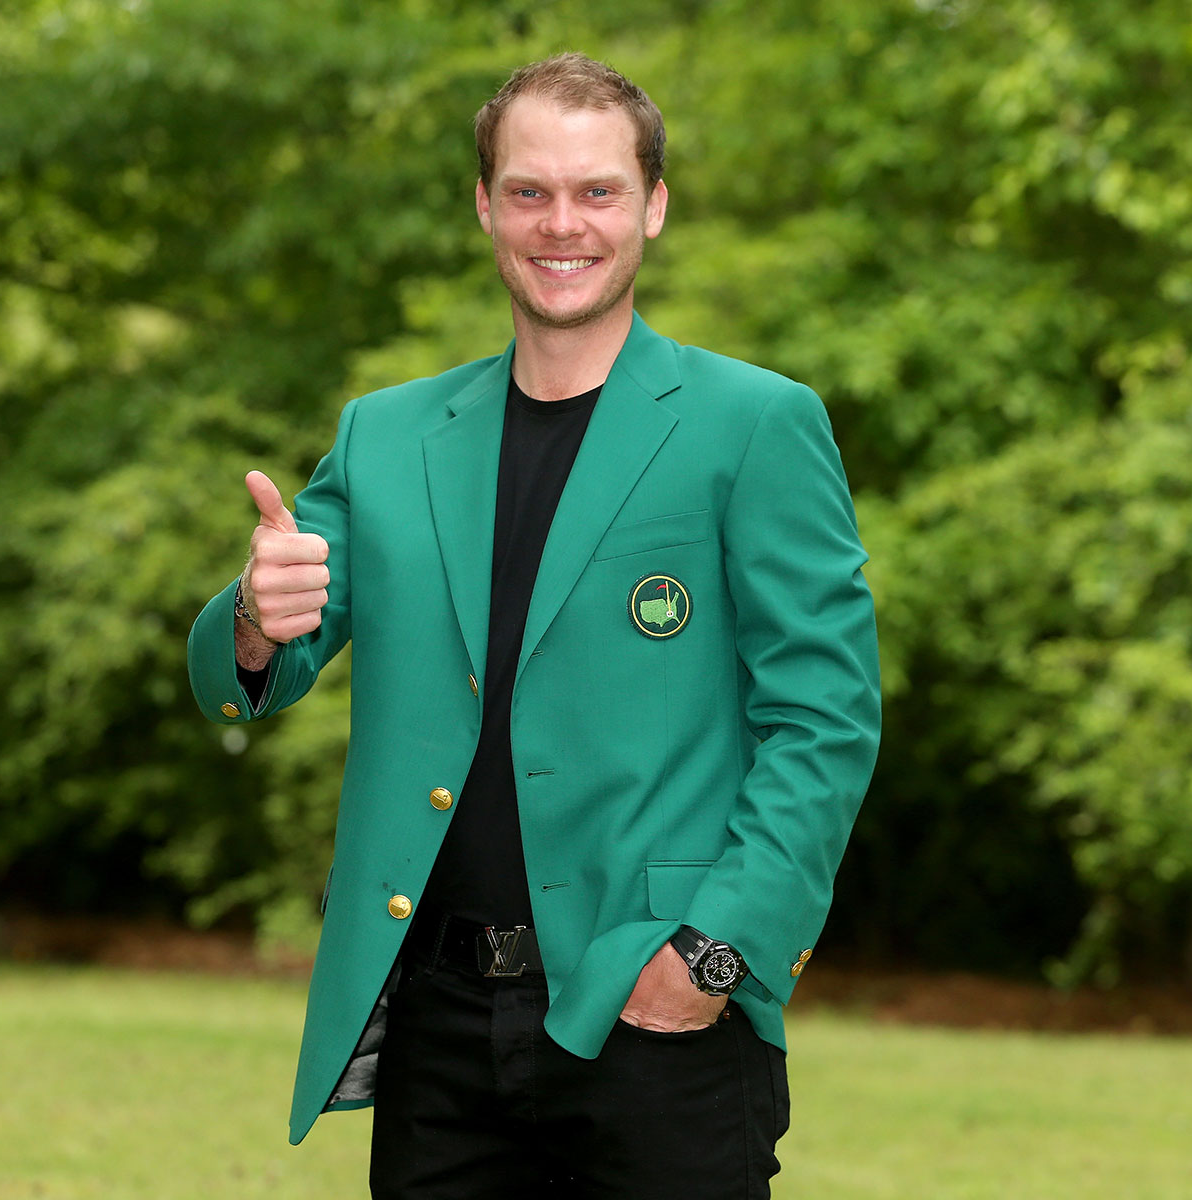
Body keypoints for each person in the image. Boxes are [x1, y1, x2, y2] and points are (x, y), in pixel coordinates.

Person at [188, 52, 880, 1199]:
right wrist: (258, 620)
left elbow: (825, 720)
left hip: (658, 1017)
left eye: (597, 190)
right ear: (484, 206)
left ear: (652, 206)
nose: (563, 223)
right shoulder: (387, 436)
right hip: (436, 1031)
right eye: (529, 191)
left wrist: (712, 954)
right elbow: (251, 659)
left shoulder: (756, 424)